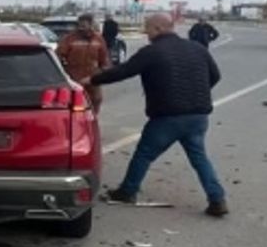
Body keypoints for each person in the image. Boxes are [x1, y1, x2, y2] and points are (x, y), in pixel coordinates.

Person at [83, 13, 228, 217]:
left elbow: (123, 71)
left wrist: (93, 80)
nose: (146, 33)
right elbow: (215, 76)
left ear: (159, 29)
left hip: (168, 116)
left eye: (148, 29)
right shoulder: (197, 48)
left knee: (144, 153)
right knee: (199, 157)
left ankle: (127, 191)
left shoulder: (152, 52)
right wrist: (196, 95)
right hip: (198, 116)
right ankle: (217, 199)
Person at [56, 13, 110, 114]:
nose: (82, 28)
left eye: (84, 25)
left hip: (93, 77)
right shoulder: (70, 39)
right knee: (75, 102)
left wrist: (103, 73)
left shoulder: (98, 39)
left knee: (96, 99)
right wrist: (64, 71)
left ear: (91, 25)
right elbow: (59, 55)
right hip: (74, 77)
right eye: (80, 25)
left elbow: (104, 59)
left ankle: (92, 119)